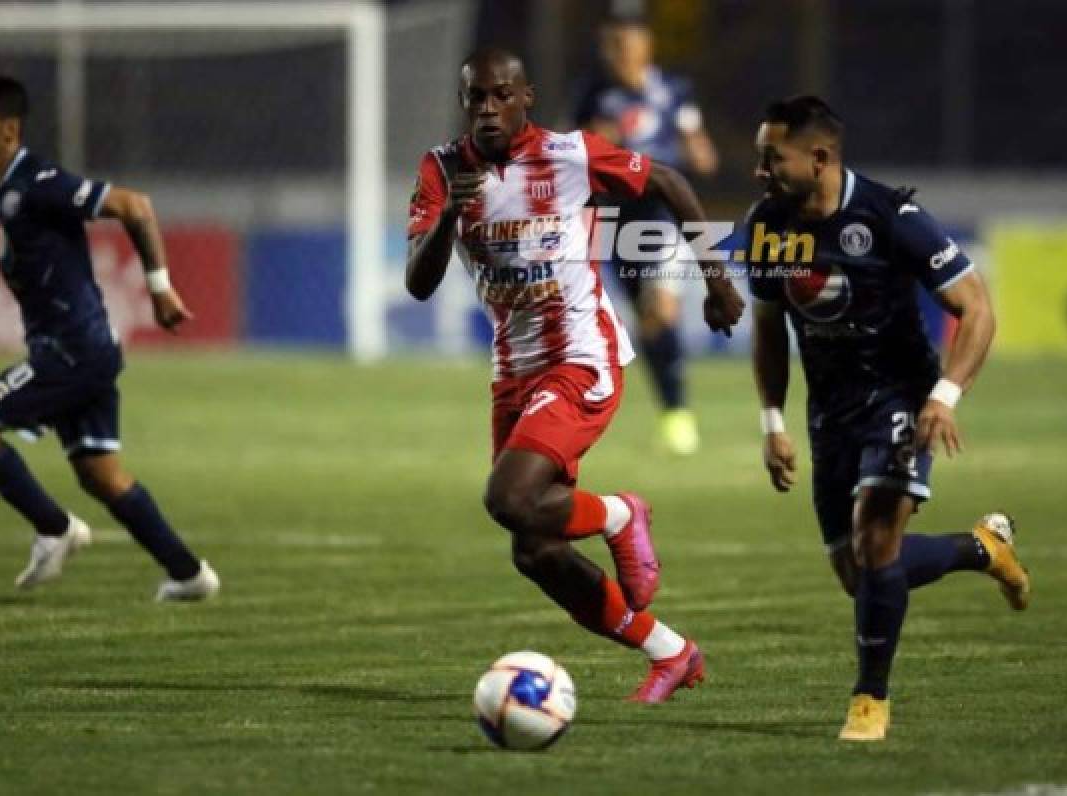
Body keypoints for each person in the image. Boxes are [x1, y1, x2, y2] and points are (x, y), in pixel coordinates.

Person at [406, 48, 744, 702]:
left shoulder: (570, 154)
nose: (487, 109)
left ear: (526, 97)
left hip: (580, 357)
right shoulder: (442, 169)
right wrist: (449, 215)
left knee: (506, 498)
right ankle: (670, 651)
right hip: (514, 373)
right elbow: (419, 284)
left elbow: (670, 182)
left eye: (501, 95)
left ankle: (621, 514)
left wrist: (716, 280)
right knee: (534, 549)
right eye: (475, 97)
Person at [745, 95, 1030, 740]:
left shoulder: (890, 217)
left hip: (901, 399)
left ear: (818, 158)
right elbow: (767, 326)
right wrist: (771, 421)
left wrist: (944, 395)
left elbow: (975, 306)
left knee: (876, 541)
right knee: (861, 574)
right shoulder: (767, 223)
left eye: (771, 158)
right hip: (829, 413)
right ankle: (983, 548)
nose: (759, 171)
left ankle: (869, 700)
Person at [0, 76, 219, 601]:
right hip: (81, 350)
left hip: (73, 349)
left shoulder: (39, 180)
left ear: (9, 130)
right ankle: (188, 573)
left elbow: (136, 206)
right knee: (102, 476)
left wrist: (160, 290)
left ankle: (55, 529)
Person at [574, 14, 720, 455]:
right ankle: (671, 410)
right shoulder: (594, 93)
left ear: (646, 47)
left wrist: (691, 150)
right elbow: (578, 148)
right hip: (613, 218)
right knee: (647, 321)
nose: (617, 55)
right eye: (611, 46)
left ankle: (679, 415)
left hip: (660, 213)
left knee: (661, 308)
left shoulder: (673, 91)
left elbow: (703, 154)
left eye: (625, 45)